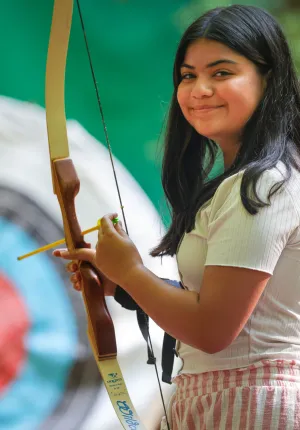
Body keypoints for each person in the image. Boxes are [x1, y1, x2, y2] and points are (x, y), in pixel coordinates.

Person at [53, 5, 300, 429]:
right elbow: (236, 312)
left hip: (251, 406)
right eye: (188, 75)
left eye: (221, 73)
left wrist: (132, 272)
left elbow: (212, 330)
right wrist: (125, 284)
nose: (199, 89)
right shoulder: (252, 180)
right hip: (230, 401)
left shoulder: (262, 185)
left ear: (269, 78)